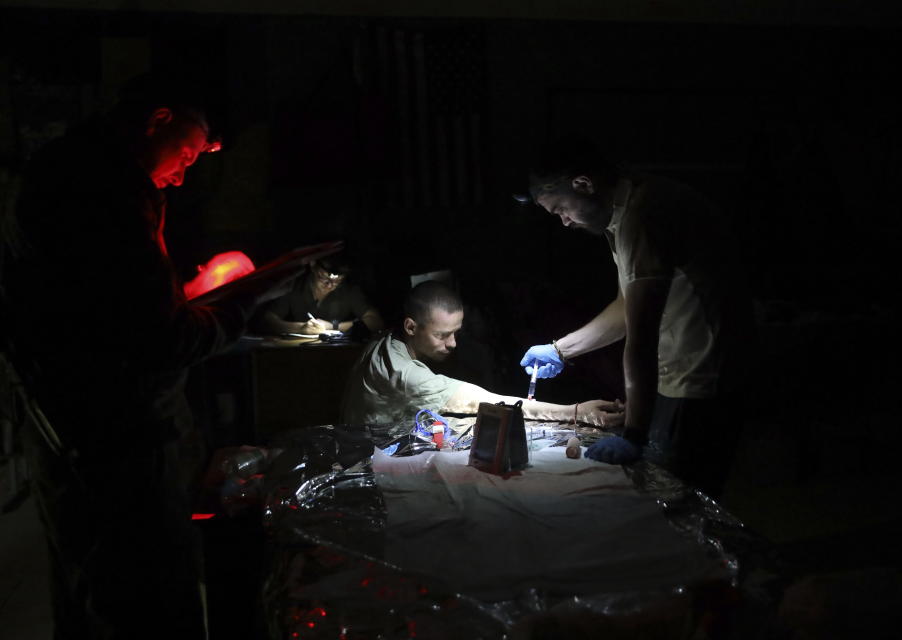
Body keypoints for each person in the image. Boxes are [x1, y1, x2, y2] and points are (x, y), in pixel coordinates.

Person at [1, 79, 299, 639]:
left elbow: (109, 313)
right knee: (143, 600)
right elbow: (159, 342)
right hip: (114, 445)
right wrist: (247, 297)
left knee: (92, 591)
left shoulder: (71, 173)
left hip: (81, 436)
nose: (183, 175)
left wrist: (187, 295)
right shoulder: (101, 191)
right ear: (159, 118)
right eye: (186, 154)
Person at [518, 139, 754, 497]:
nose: (565, 222)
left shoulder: (643, 216)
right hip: (685, 374)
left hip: (701, 379)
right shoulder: (628, 207)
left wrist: (634, 432)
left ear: (582, 184)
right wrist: (560, 349)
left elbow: (641, 335)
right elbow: (625, 307)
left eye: (561, 209)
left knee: (682, 501)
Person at [341, 280, 623, 427]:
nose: (453, 343)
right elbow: (481, 401)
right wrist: (576, 412)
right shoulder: (404, 372)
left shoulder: (388, 342)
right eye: (442, 335)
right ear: (411, 326)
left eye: (456, 332)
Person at [253, 253, 385, 336]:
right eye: (324, 277)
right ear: (313, 265)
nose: (330, 284)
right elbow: (267, 320)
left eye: (337, 280)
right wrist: (300, 328)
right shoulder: (294, 287)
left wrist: (331, 326)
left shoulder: (349, 291)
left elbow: (376, 322)